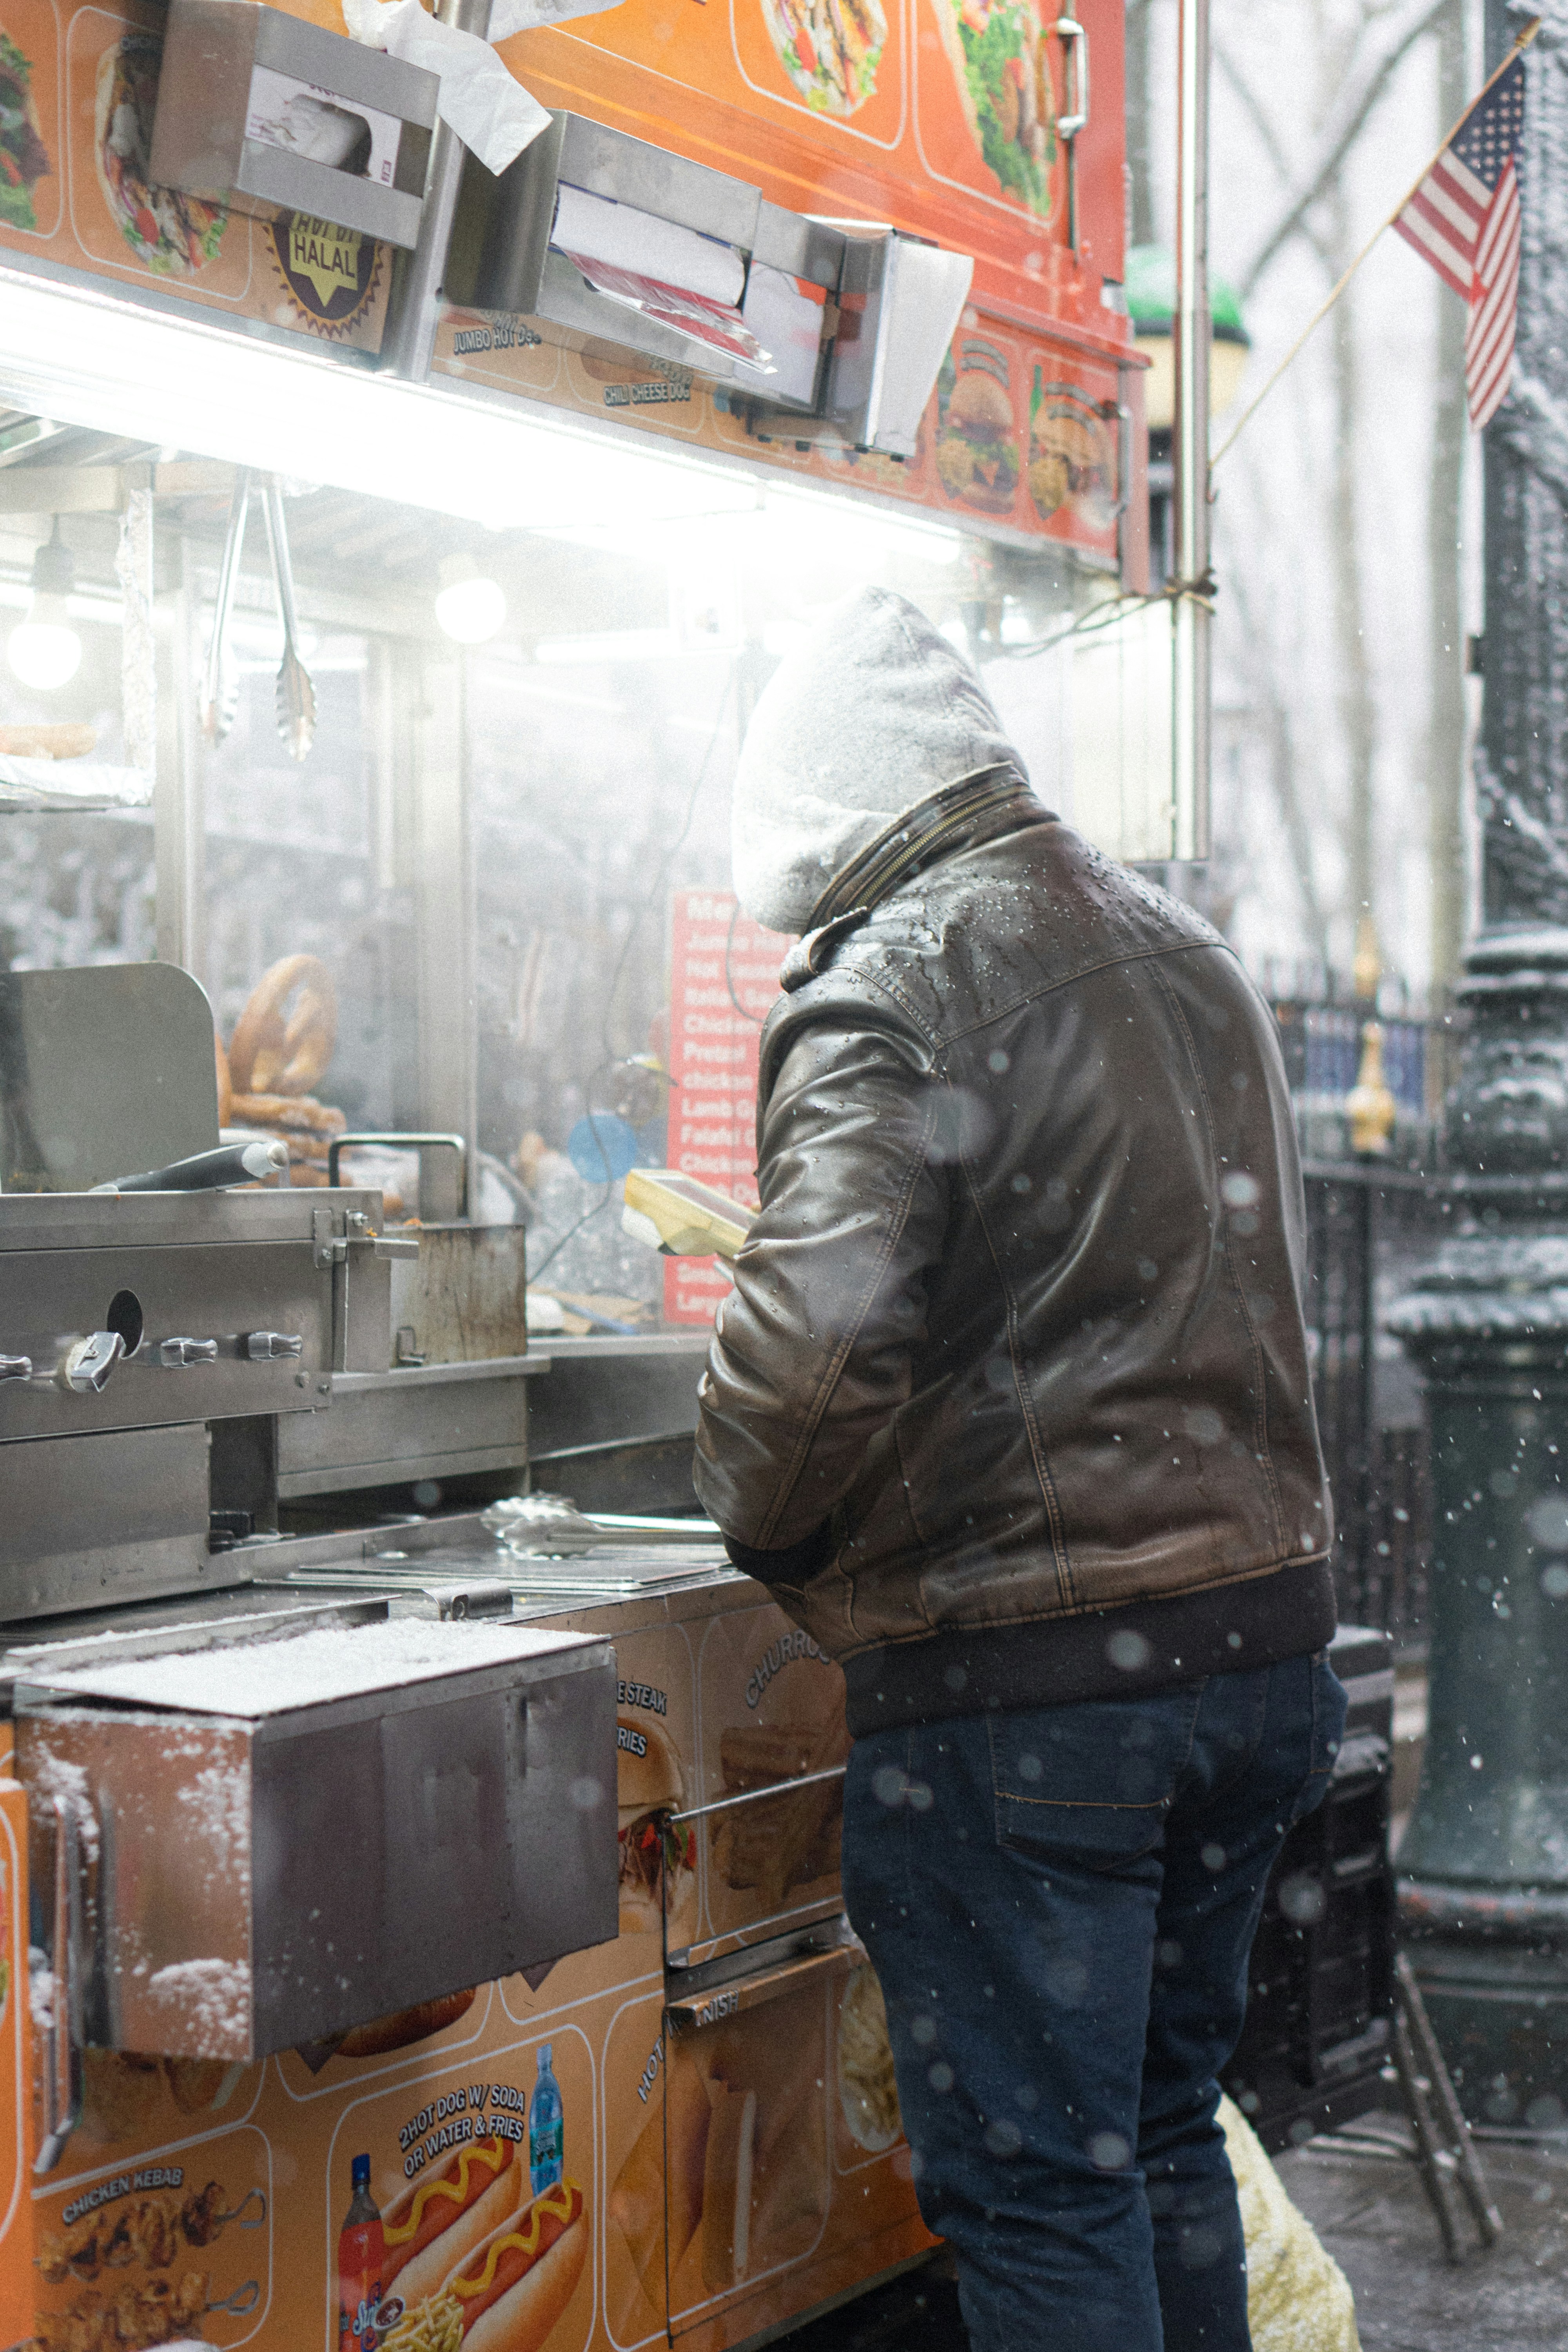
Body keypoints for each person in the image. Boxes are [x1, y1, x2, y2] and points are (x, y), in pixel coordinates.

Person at [693, 587, 1346, 2352]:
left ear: (814, 814)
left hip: (1040, 1693)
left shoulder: (894, 979)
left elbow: (811, 1353)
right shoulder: (1177, 945)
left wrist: (744, 1503)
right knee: (1149, 2139)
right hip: (1254, 1656)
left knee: (1040, 2185)